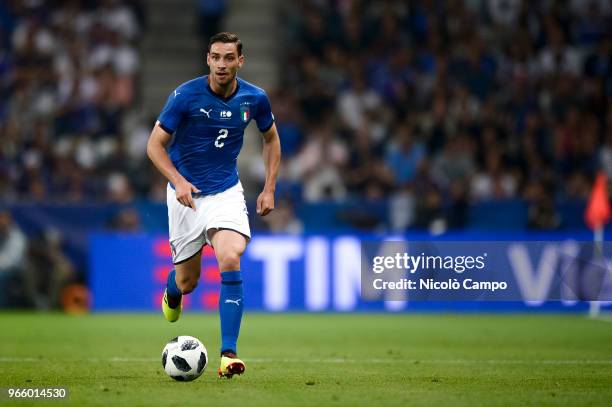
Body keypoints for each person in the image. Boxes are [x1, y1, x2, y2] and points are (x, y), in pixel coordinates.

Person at [146, 32, 281, 378]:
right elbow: (154, 146)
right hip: (185, 195)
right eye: (216, 57)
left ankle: (228, 355)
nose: (222, 64)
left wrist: (268, 188)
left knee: (230, 256)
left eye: (229, 58)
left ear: (240, 61)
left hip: (225, 191)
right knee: (188, 282)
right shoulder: (185, 96)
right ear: (207, 59)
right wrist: (177, 181)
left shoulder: (255, 98)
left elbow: (271, 138)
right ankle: (173, 292)